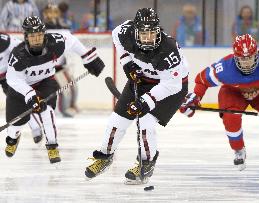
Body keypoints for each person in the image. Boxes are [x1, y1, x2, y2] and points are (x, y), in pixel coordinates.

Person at [85, 8, 189, 184]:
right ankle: (104, 156)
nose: (148, 39)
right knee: (117, 121)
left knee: (146, 122)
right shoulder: (125, 32)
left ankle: (146, 162)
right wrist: (127, 62)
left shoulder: (169, 50)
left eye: (151, 34)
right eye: (143, 34)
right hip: (142, 79)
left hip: (171, 87)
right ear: (135, 32)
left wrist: (145, 102)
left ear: (159, 31)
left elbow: (172, 85)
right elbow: (115, 34)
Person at [5, 16, 105, 163]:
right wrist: (30, 95)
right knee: (15, 124)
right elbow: (13, 80)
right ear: (26, 37)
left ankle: (52, 146)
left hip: (45, 82)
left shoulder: (55, 43)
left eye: (40, 34)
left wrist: (87, 56)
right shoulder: (18, 56)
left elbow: (71, 40)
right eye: (33, 36)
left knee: (47, 111)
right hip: (21, 89)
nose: (37, 39)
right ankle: (13, 139)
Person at [180, 34, 259, 171]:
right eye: (242, 58)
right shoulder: (224, 68)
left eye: (250, 58)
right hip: (233, 93)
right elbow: (202, 80)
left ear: (257, 54)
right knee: (231, 118)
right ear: (235, 57)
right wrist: (195, 97)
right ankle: (238, 149)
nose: (246, 62)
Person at [0, 32, 43, 143]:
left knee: (19, 102)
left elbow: (21, 48)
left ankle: (35, 127)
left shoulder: (5, 42)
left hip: (9, 77)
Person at [43, 3, 79, 117]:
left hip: (61, 66)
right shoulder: (42, 28)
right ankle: (64, 109)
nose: (52, 14)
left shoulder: (63, 27)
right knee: (64, 89)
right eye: (49, 12)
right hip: (50, 67)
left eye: (54, 12)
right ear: (45, 13)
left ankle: (71, 106)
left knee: (74, 87)